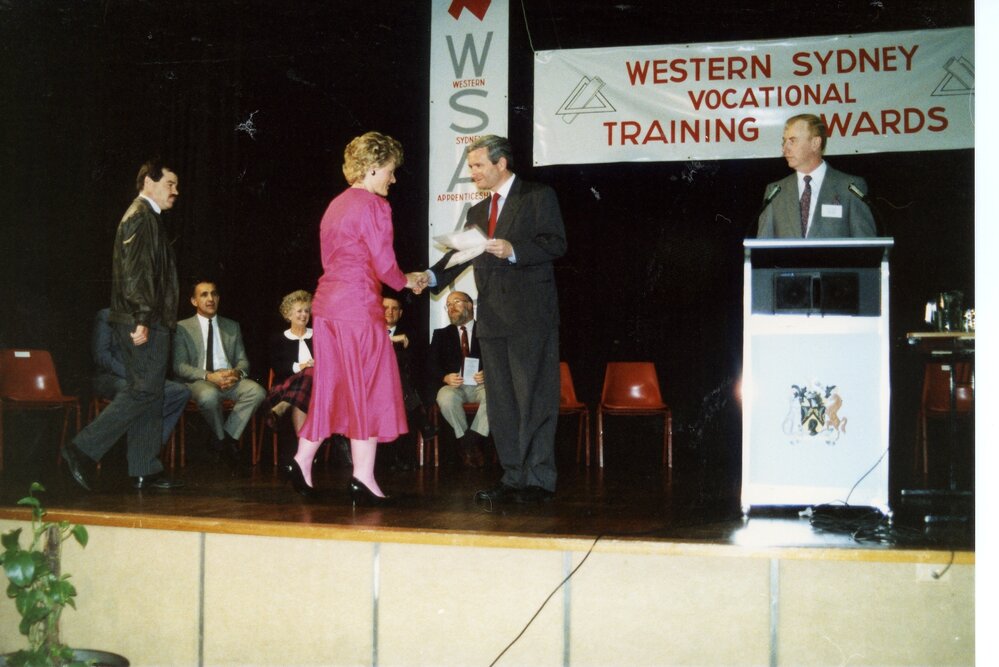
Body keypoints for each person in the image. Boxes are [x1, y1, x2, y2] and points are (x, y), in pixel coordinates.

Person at [422, 135, 567, 505]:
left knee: (533, 400)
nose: (472, 172)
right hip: (493, 321)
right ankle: (513, 476)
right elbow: (459, 256)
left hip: (531, 318)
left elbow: (556, 243)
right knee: (501, 404)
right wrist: (430, 276)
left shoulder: (537, 196)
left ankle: (538, 480)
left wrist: (515, 249)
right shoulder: (477, 212)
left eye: (478, 165)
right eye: (470, 166)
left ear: (501, 163)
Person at [291, 131, 427, 504]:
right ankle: (363, 477)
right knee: (369, 388)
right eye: (391, 170)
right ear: (372, 168)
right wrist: (407, 280)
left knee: (332, 387)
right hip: (358, 309)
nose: (393, 179)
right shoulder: (374, 206)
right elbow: (384, 266)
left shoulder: (335, 205)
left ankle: (301, 460)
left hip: (327, 307)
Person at [62, 158, 185, 491]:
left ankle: (144, 468)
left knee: (151, 393)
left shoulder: (149, 218)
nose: (176, 191)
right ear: (148, 182)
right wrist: (142, 317)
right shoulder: (140, 217)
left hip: (150, 319)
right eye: (170, 184)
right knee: (143, 390)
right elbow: (135, 275)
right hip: (142, 320)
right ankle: (81, 449)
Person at [173, 280, 266, 465]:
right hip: (200, 380)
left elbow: (243, 361)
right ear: (194, 301)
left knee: (257, 392)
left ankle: (224, 439)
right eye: (204, 294)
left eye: (214, 294)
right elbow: (179, 366)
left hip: (229, 379)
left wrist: (236, 374)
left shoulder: (232, 326)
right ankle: (224, 441)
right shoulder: (182, 327)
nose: (210, 298)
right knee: (209, 395)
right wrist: (209, 376)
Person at [756, 113, 876, 239]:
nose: (785, 149)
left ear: (815, 143)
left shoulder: (850, 188)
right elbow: (763, 246)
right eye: (784, 142)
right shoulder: (775, 192)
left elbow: (865, 245)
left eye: (792, 141)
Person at [91, 307, 191, 448]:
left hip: (142, 379)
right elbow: (101, 356)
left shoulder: (150, 321)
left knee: (180, 391)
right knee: (138, 392)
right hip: (111, 376)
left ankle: (150, 444)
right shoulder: (107, 315)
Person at [427, 291, 488, 467]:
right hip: (454, 387)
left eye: (456, 302)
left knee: (496, 397)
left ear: (469, 305)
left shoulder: (486, 331)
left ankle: (469, 441)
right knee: (445, 398)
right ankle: (469, 442)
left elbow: (500, 359)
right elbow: (431, 364)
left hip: (481, 386)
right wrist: (445, 377)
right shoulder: (441, 334)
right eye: (448, 305)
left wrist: (488, 373)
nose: (451, 307)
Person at [383, 294, 437, 471]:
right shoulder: (369, 332)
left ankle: (400, 458)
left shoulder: (410, 335)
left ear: (400, 313)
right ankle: (423, 421)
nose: (390, 312)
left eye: (394, 309)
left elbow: (417, 367)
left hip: (401, 390)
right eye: (385, 308)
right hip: (373, 388)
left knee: (400, 391)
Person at [265, 290, 315, 436]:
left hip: (317, 388)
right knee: (307, 376)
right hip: (285, 387)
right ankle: (303, 447)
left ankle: (284, 405)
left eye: (307, 311)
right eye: (299, 311)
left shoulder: (318, 335)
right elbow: (278, 368)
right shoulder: (278, 339)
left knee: (310, 373)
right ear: (288, 314)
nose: (304, 314)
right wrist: (301, 366)